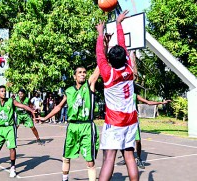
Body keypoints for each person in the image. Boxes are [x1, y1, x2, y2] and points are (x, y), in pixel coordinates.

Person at [96, 10, 139, 181]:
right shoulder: (129, 68)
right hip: (131, 119)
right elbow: (123, 45)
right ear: (124, 57)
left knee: (109, 158)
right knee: (129, 156)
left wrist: (100, 33)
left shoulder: (108, 74)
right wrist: (119, 24)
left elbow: (100, 54)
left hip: (115, 121)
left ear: (110, 60)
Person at [37, 66, 100, 181]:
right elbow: (59, 107)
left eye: (84, 72)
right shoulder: (69, 91)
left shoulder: (89, 85)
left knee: (89, 160)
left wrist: (104, 51)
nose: (83, 74)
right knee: (66, 157)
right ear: (74, 76)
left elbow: (97, 71)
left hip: (86, 126)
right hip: (72, 126)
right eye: (80, 72)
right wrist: (45, 118)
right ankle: (64, 179)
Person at [0, 85, 36, 178]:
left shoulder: (11, 101)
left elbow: (21, 105)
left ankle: (13, 168)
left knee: (12, 148)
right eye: (2, 91)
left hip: (9, 128)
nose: (4, 92)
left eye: (5, 91)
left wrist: (31, 110)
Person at [119, 93, 172, 169]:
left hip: (133, 121)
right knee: (121, 141)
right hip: (123, 121)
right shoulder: (120, 93)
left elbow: (148, 102)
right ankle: (125, 157)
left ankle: (139, 159)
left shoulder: (134, 95)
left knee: (138, 141)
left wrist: (162, 103)